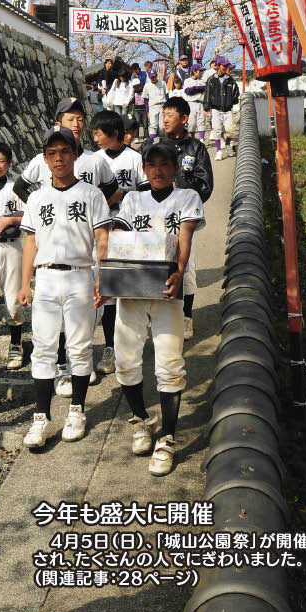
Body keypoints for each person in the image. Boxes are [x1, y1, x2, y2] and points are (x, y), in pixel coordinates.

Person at [113, 142, 205, 475]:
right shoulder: (132, 199)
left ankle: (167, 437)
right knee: (125, 360)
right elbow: (119, 236)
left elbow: (185, 235)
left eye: (164, 163)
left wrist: (179, 270)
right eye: (151, 164)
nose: (157, 170)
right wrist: (106, 277)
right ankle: (140, 419)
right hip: (133, 289)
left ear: (175, 166)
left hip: (167, 289)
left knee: (169, 363)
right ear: (144, 168)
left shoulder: (187, 198)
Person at [17, 127, 110, 448]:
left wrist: (104, 277)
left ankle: (77, 410)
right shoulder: (37, 197)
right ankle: (41, 418)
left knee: (79, 348)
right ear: (44, 159)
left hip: (80, 275)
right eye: (52, 153)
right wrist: (23, 283)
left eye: (64, 152)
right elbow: (30, 241)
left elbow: (102, 239)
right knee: (42, 347)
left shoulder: (91, 195)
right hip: (45, 279)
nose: (58, 158)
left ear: (75, 154)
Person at [141, 96, 213, 340]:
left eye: (171, 116)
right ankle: (155, 313)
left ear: (184, 119)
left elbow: (205, 185)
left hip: (182, 218)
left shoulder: (196, 148)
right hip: (154, 217)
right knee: (155, 264)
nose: (166, 120)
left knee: (187, 268)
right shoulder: (152, 145)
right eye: (163, 116)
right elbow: (143, 180)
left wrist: (179, 185)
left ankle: (186, 316)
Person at [90, 111, 148, 376]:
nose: (95, 138)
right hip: (101, 230)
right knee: (107, 294)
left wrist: (124, 196)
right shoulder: (93, 160)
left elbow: (148, 192)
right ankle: (111, 347)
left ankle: (132, 344)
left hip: (128, 230)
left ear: (115, 133)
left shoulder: (135, 158)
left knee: (127, 289)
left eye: (99, 133)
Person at [0, 140, 26, 370]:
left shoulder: (16, 188)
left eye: (1, 161)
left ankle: (16, 344)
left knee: (13, 299)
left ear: (9, 163)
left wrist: (10, 219)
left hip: (12, 247)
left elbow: (31, 214)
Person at [204, 56, 241, 159]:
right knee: (216, 129)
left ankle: (228, 145)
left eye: (226, 65)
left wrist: (233, 100)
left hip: (228, 109)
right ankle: (219, 151)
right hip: (216, 109)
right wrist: (206, 108)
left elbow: (236, 93)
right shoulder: (211, 80)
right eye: (223, 65)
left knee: (230, 130)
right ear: (218, 66)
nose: (225, 67)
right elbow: (207, 94)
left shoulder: (230, 80)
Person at [181, 61, 207, 142]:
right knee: (192, 123)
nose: (201, 73)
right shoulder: (187, 81)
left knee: (201, 122)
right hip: (191, 103)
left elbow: (205, 88)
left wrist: (195, 88)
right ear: (194, 71)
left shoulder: (201, 81)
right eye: (200, 71)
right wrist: (198, 88)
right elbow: (188, 91)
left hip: (200, 103)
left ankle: (202, 140)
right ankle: (192, 139)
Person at [143, 69, 168, 139]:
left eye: (154, 76)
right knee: (153, 125)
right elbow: (145, 99)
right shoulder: (147, 86)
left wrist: (167, 107)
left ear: (156, 75)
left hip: (162, 105)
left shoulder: (162, 83)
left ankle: (162, 140)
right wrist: (147, 111)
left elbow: (167, 94)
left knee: (162, 125)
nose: (153, 78)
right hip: (152, 107)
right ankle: (152, 142)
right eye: (151, 77)